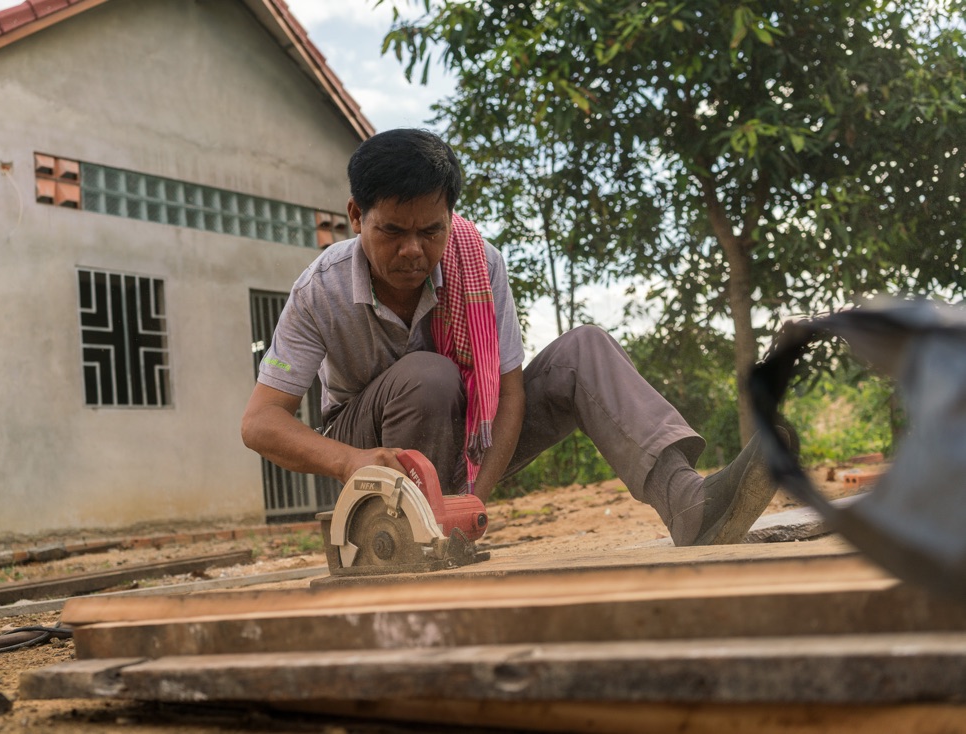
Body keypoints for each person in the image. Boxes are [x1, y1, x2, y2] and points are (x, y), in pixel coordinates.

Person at [241, 128, 776, 546]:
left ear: (450, 218)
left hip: (473, 437)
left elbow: (510, 392)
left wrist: (472, 501)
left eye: (431, 231)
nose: (413, 252)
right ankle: (405, 533)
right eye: (392, 232)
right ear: (356, 217)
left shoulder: (479, 264)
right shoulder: (320, 290)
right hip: (373, 456)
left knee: (584, 349)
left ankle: (689, 504)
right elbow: (261, 422)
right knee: (429, 375)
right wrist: (346, 461)